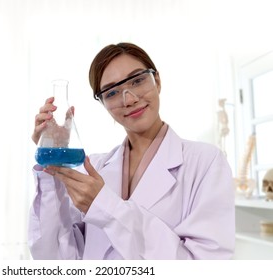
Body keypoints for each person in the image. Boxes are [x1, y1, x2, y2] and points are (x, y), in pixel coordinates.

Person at [28, 42, 235, 259]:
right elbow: (53, 257)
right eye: (112, 92)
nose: (129, 99)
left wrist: (106, 207)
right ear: (103, 104)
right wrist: (52, 159)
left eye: (137, 80)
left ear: (158, 81)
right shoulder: (95, 168)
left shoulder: (205, 162)